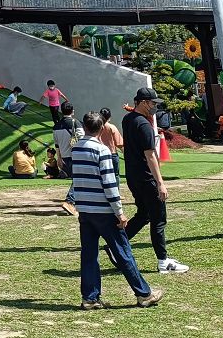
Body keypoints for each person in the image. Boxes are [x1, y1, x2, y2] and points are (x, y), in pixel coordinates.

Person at [72, 110, 163, 309]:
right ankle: (144, 294)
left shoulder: (76, 149)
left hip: (85, 210)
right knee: (123, 252)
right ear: (101, 128)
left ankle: (90, 297)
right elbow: (109, 184)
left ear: (85, 126)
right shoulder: (102, 151)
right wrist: (119, 211)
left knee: (88, 254)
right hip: (104, 211)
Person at [119, 87, 188, 273]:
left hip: (133, 176)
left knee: (144, 214)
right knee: (158, 219)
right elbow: (150, 156)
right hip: (147, 178)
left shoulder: (128, 120)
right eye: (152, 103)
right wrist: (160, 183)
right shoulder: (143, 125)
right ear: (142, 103)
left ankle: (115, 246)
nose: (154, 107)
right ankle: (163, 261)